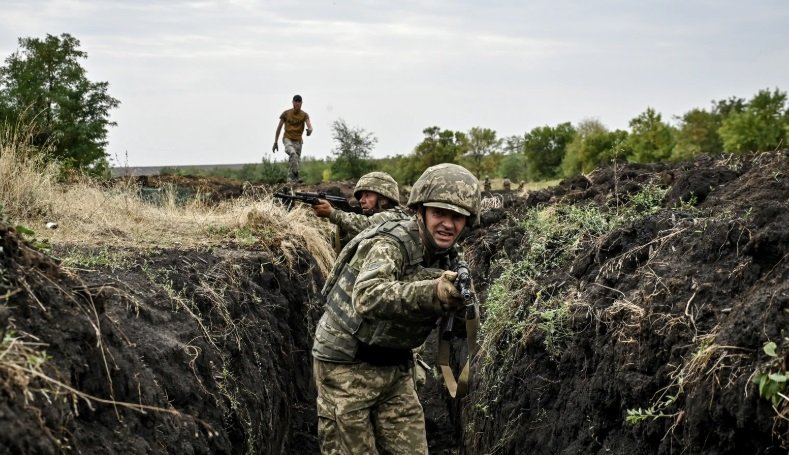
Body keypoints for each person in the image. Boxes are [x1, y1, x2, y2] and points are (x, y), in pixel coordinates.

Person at [312, 163, 481, 454]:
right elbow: (367, 296)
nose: (448, 224)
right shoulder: (391, 244)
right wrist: (433, 291)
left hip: (395, 367)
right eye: (439, 213)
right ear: (421, 211)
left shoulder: (449, 255)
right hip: (346, 368)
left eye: (457, 217)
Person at [310, 171, 410, 252]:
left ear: (383, 199)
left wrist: (333, 213)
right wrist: (342, 227)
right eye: (361, 196)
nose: (361, 200)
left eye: (367, 195)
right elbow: (343, 244)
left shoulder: (394, 216)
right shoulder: (374, 218)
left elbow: (368, 225)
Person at [273, 94, 313, 183]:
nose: (298, 104)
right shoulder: (286, 114)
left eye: (299, 102)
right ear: (293, 103)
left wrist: (310, 130)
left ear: (302, 103)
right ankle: (296, 175)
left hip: (298, 142)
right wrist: (275, 142)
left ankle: (290, 183)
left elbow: (309, 125)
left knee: (294, 162)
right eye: (296, 102)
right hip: (288, 139)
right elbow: (279, 128)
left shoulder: (304, 115)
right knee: (292, 153)